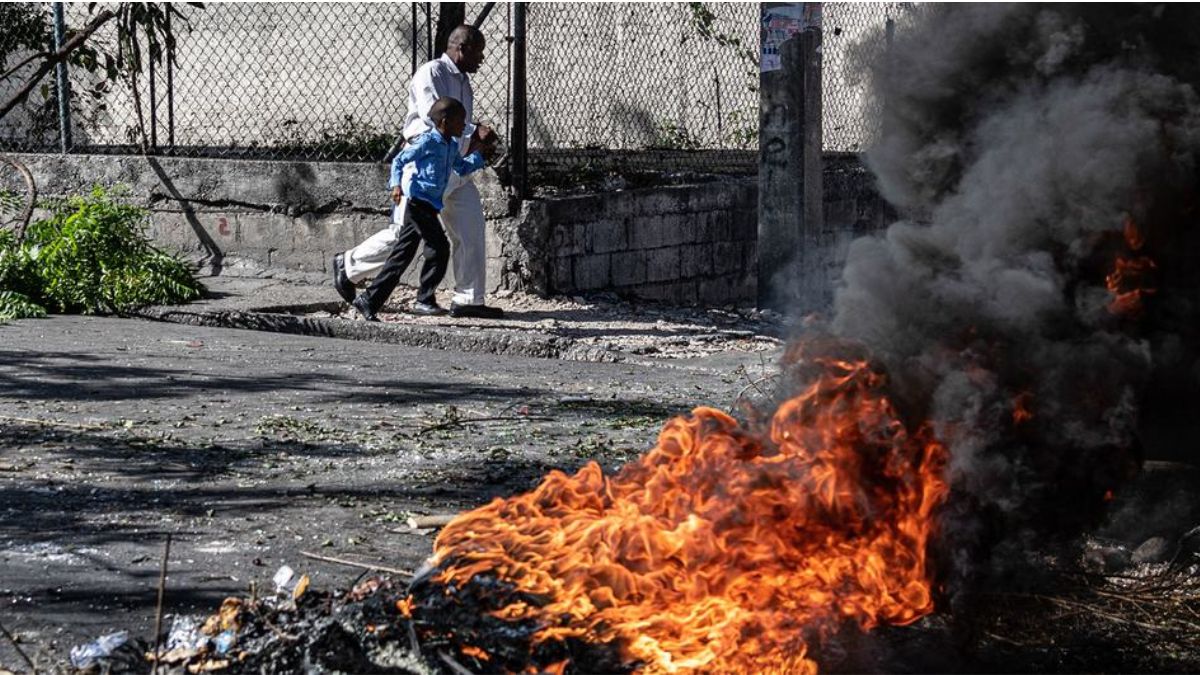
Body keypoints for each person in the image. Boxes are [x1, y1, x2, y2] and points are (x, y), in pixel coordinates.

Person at [332, 24, 503, 319]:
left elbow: (457, 127)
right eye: (479, 51)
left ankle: (468, 298)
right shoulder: (432, 73)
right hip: (424, 168)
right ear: (461, 48)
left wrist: (476, 150)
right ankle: (349, 265)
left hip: (453, 163)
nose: (482, 59)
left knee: (470, 226)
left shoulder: (463, 81)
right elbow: (434, 115)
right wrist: (477, 131)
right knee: (403, 236)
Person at [350, 97, 488, 322]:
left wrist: (480, 155)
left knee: (402, 255)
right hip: (417, 203)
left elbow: (461, 167)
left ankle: (369, 300)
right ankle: (423, 298)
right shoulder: (427, 142)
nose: (465, 126)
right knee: (440, 248)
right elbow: (399, 161)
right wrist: (395, 185)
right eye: (460, 121)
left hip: (431, 205)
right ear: (444, 122)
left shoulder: (451, 146)